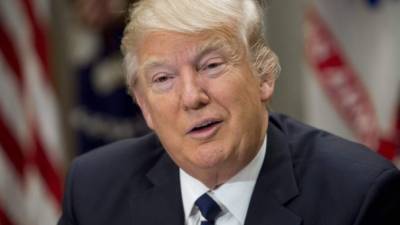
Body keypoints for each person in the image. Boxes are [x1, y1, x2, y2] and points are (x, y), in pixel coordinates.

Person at [58, 0, 400, 224]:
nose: (191, 97)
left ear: (264, 76)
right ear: (144, 107)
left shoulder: (359, 198)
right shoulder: (93, 192)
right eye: (163, 78)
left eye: (211, 65)